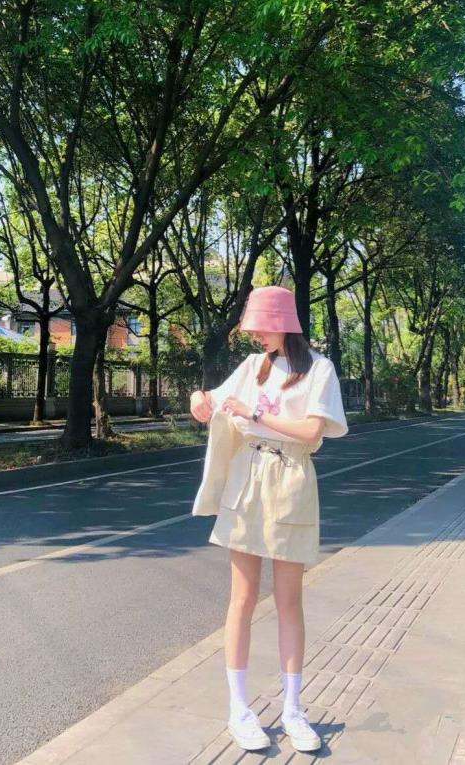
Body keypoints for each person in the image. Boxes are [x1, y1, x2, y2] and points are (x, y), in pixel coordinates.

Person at [189, 285, 349, 753]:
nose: (256, 334)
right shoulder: (251, 366)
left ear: (282, 323)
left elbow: (312, 429)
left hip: (292, 478)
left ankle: (293, 709)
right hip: (248, 477)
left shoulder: (318, 368)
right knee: (241, 599)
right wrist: (198, 398)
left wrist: (255, 411)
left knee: (288, 601)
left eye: (260, 326)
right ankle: (238, 708)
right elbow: (213, 401)